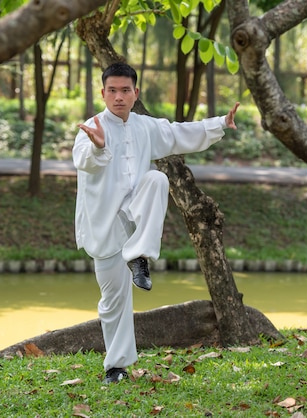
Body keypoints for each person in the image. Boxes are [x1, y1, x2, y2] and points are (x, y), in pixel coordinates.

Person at [73, 62, 239, 384]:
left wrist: (220, 123)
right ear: (103, 92)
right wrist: (97, 146)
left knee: (157, 179)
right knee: (113, 301)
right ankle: (116, 367)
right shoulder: (92, 127)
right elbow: (83, 161)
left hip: (138, 218)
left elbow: (180, 133)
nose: (118, 97)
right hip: (104, 225)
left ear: (136, 93)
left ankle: (140, 256)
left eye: (125, 90)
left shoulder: (145, 127)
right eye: (112, 90)